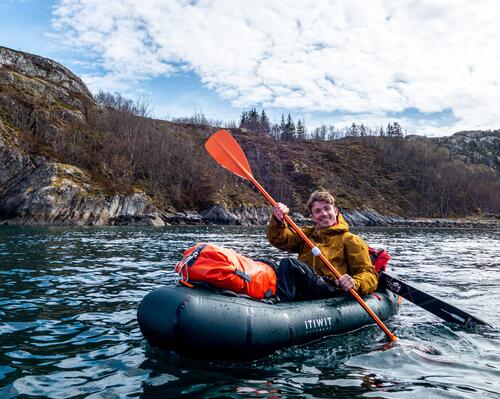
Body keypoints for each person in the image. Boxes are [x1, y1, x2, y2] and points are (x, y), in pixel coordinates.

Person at [266, 190, 378, 302]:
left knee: (289, 263)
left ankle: (281, 304)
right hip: (306, 284)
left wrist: (355, 282)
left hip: (330, 288)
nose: (324, 214)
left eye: (327, 208)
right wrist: (278, 219)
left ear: (336, 211)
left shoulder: (351, 240)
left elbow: (370, 275)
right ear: (313, 217)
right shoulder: (306, 234)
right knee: (266, 262)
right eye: (318, 211)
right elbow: (280, 240)